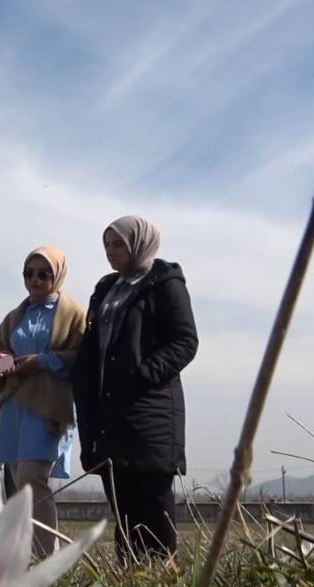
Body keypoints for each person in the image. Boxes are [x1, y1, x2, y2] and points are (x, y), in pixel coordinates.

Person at [74, 215, 198, 561]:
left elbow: (185, 341)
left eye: (119, 245)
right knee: (123, 507)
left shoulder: (165, 283)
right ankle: (130, 582)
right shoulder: (106, 288)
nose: (111, 252)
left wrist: (141, 375)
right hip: (108, 414)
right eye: (107, 245)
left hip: (149, 414)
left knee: (153, 507)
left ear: (140, 244)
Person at [0, 246, 86, 558]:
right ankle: (27, 556)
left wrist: (42, 362)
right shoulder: (16, 316)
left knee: (33, 478)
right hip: (14, 405)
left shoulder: (72, 314)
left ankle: (47, 557)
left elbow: (82, 357)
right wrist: (6, 363)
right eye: (29, 274)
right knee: (18, 484)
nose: (35, 280)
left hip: (48, 407)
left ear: (58, 275)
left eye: (44, 274)